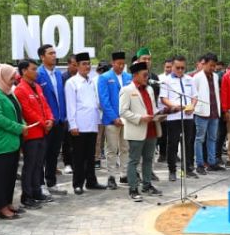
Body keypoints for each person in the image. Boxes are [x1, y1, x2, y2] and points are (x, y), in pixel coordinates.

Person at [0, 64, 27, 219]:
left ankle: (8, 202)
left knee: (10, 175)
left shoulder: (8, 92)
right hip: (0, 142)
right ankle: (1, 208)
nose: (13, 80)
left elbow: (17, 111)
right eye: (10, 77)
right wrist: (18, 128)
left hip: (12, 141)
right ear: (1, 77)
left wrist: (23, 125)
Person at [119, 61, 163, 201]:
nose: (146, 77)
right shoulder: (127, 90)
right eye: (144, 75)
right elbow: (123, 111)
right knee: (134, 160)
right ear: (135, 75)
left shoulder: (149, 89)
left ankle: (147, 185)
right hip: (137, 129)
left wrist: (159, 115)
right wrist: (140, 118)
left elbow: (152, 107)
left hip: (151, 128)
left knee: (149, 159)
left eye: (147, 74)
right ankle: (133, 189)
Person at [14, 59, 53, 209]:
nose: (36, 72)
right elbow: (27, 112)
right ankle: (27, 195)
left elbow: (45, 105)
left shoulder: (37, 86)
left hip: (42, 131)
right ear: (24, 71)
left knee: (38, 164)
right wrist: (44, 122)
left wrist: (50, 119)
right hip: (31, 133)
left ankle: (37, 191)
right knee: (29, 165)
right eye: (33, 69)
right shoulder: (20, 89)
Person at [65, 52, 104, 194]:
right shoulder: (72, 83)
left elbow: (95, 102)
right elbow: (71, 106)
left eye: (88, 64)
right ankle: (78, 184)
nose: (87, 66)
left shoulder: (92, 81)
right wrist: (73, 125)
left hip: (92, 124)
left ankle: (91, 181)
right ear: (77, 66)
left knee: (90, 155)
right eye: (84, 64)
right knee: (78, 157)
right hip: (79, 126)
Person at [36, 44, 69, 194]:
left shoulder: (57, 74)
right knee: (42, 154)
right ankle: (40, 184)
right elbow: (38, 100)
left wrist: (63, 116)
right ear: (42, 57)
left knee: (54, 154)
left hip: (60, 121)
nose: (54, 56)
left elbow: (61, 96)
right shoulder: (38, 74)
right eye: (50, 53)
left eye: (55, 53)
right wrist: (45, 119)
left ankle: (51, 182)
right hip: (46, 122)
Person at [160, 56, 197, 180]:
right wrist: (174, 106)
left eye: (183, 68)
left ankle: (186, 168)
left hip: (188, 116)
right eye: (178, 68)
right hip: (174, 116)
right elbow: (163, 98)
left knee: (187, 143)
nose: (180, 70)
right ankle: (172, 170)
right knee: (173, 144)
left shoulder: (189, 79)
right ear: (172, 67)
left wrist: (192, 106)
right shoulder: (166, 81)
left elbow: (195, 96)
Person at [98, 51, 131, 189]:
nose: (121, 66)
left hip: (127, 119)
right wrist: (114, 117)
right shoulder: (105, 77)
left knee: (125, 148)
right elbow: (104, 100)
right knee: (112, 149)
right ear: (113, 63)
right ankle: (111, 176)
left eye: (123, 63)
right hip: (112, 120)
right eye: (119, 63)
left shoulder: (128, 76)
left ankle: (124, 174)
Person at [191, 53, 222, 174]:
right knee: (199, 139)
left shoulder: (215, 76)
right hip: (201, 112)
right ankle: (199, 164)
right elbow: (194, 95)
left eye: (214, 66)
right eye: (211, 65)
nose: (213, 68)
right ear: (204, 63)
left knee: (213, 138)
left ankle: (212, 162)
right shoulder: (197, 77)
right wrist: (195, 108)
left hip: (214, 112)